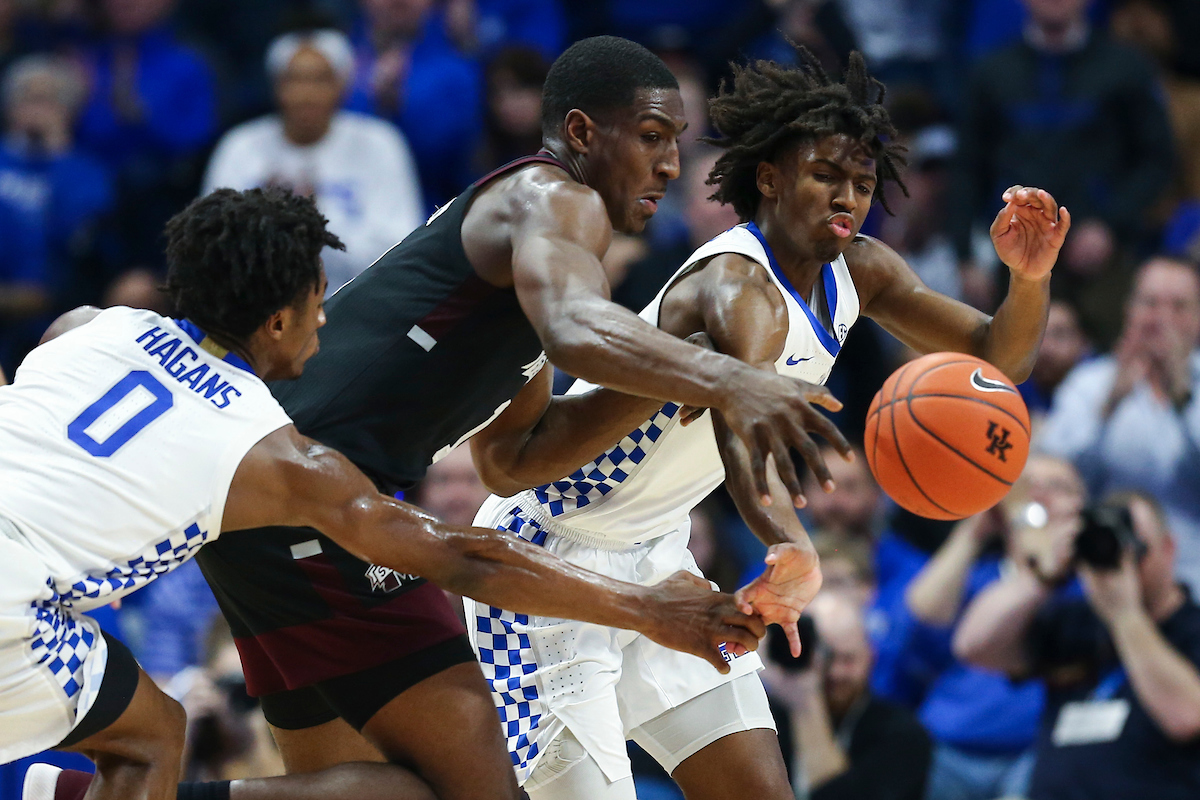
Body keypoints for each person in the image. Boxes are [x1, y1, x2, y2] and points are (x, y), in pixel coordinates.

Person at [146, 35, 866, 800]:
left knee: (345, 786)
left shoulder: (523, 271)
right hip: (313, 491)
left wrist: (672, 382)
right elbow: (578, 329)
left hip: (259, 499)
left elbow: (510, 461)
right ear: (584, 133)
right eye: (652, 138)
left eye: (677, 145)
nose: (669, 167)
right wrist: (731, 380)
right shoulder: (557, 198)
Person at [10, 187, 764, 800]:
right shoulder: (266, 447)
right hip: (17, 612)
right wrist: (647, 610)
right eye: (316, 300)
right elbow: (461, 557)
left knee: (161, 738)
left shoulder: (91, 326)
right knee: (151, 747)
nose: (326, 318)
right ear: (276, 321)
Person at [464, 47, 1070, 799]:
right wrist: (791, 541)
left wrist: (1030, 278)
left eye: (861, 182)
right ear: (771, 178)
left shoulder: (863, 270)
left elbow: (993, 360)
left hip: (653, 554)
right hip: (545, 560)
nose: (846, 196)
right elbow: (739, 423)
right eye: (825, 176)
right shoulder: (737, 283)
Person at [954, 492, 1200, 800]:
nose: (1122, 563)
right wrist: (1043, 576)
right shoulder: (1076, 620)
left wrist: (1125, 616)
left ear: (1168, 548)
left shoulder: (1191, 627)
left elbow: (1187, 717)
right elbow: (973, 647)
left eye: (1133, 548)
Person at [950, 0, 1173, 321]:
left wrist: (1109, 225)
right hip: (1013, 257)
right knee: (1010, 363)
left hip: (1102, 260)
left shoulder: (1126, 67)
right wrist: (965, 256)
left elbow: (1157, 159)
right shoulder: (991, 72)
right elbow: (968, 169)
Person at [202, 28, 424, 296]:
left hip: (354, 303)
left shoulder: (380, 143)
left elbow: (402, 250)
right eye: (294, 80)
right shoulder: (240, 146)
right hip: (258, 305)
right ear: (275, 86)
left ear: (342, 85)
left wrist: (315, 224)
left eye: (320, 79)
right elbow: (209, 247)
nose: (306, 93)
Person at [1038, 256, 1200, 593]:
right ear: (1130, 309)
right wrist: (1108, 408)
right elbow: (1050, 479)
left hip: (1192, 578)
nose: (1161, 320)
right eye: (1150, 303)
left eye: (1179, 307)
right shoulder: (1090, 383)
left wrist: (1183, 401)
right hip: (1100, 571)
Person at [764, 593, 932, 800]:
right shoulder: (769, 720)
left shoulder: (904, 734)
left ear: (871, 656)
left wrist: (806, 704)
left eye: (848, 659)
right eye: (826, 658)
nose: (835, 672)